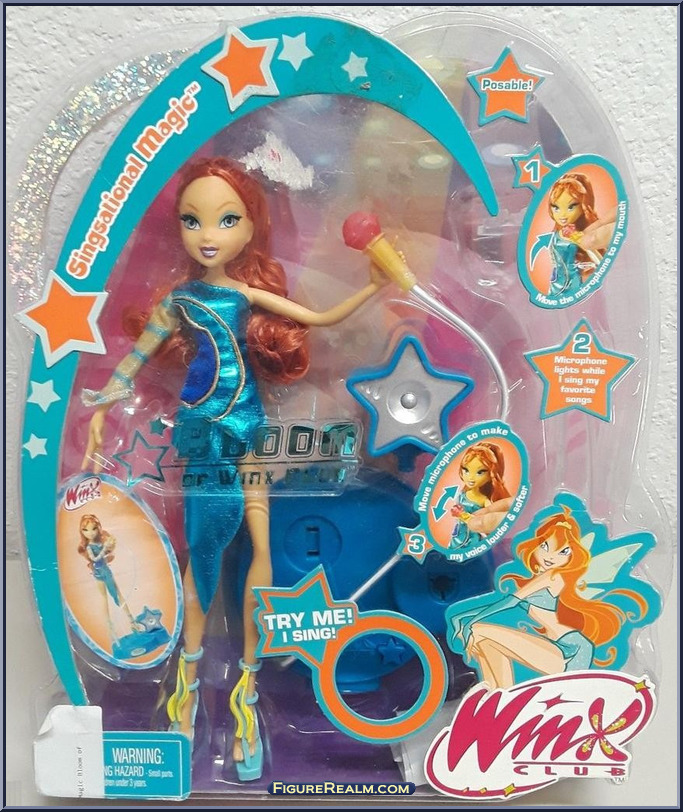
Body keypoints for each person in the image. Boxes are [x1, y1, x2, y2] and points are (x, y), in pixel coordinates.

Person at [81, 156, 389, 780]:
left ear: (250, 228)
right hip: (202, 433)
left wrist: (375, 285)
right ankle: (187, 687)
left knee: (261, 549)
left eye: (226, 220)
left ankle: (247, 688)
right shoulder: (180, 300)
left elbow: (320, 318)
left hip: (246, 427)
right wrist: (101, 408)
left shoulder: (244, 295)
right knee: (202, 557)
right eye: (192, 220)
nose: (208, 235)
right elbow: (135, 360)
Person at [447, 510, 646, 688]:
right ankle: (498, 698)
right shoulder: (536, 576)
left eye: (563, 551)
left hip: (571, 650)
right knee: (484, 642)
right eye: (545, 546)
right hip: (557, 647)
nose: (550, 556)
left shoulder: (552, 577)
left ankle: (502, 696)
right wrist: (463, 617)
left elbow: (510, 602)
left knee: (479, 631)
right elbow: (501, 602)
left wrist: (469, 620)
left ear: (573, 554)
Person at [77, 514, 140, 645]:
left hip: (106, 570)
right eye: (86, 530)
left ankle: (132, 621)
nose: (90, 533)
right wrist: (105, 549)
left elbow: (108, 553)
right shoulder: (89, 547)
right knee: (104, 598)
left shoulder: (100, 542)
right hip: (99, 572)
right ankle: (110, 628)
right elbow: (95, 559)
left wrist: (109, 546)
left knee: (118, 594)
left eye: (94, 528)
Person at [543, 172, 606, 295]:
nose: (562, 215)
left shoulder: (576, 234)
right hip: (556, 282)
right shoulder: (557, 233)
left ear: (583, 206)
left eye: (571, 207)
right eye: (556, 207)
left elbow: (601, 262)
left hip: (572, 283)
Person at [449, 442, 512, 549]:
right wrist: (456, 511)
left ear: (491, 474)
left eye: (480, 472)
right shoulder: (463, 493)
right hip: (459, 532)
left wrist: (463, 515)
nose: (471, 478)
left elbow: (488, 520)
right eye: (466, 470)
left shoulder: (484, 500)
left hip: (473, 536)